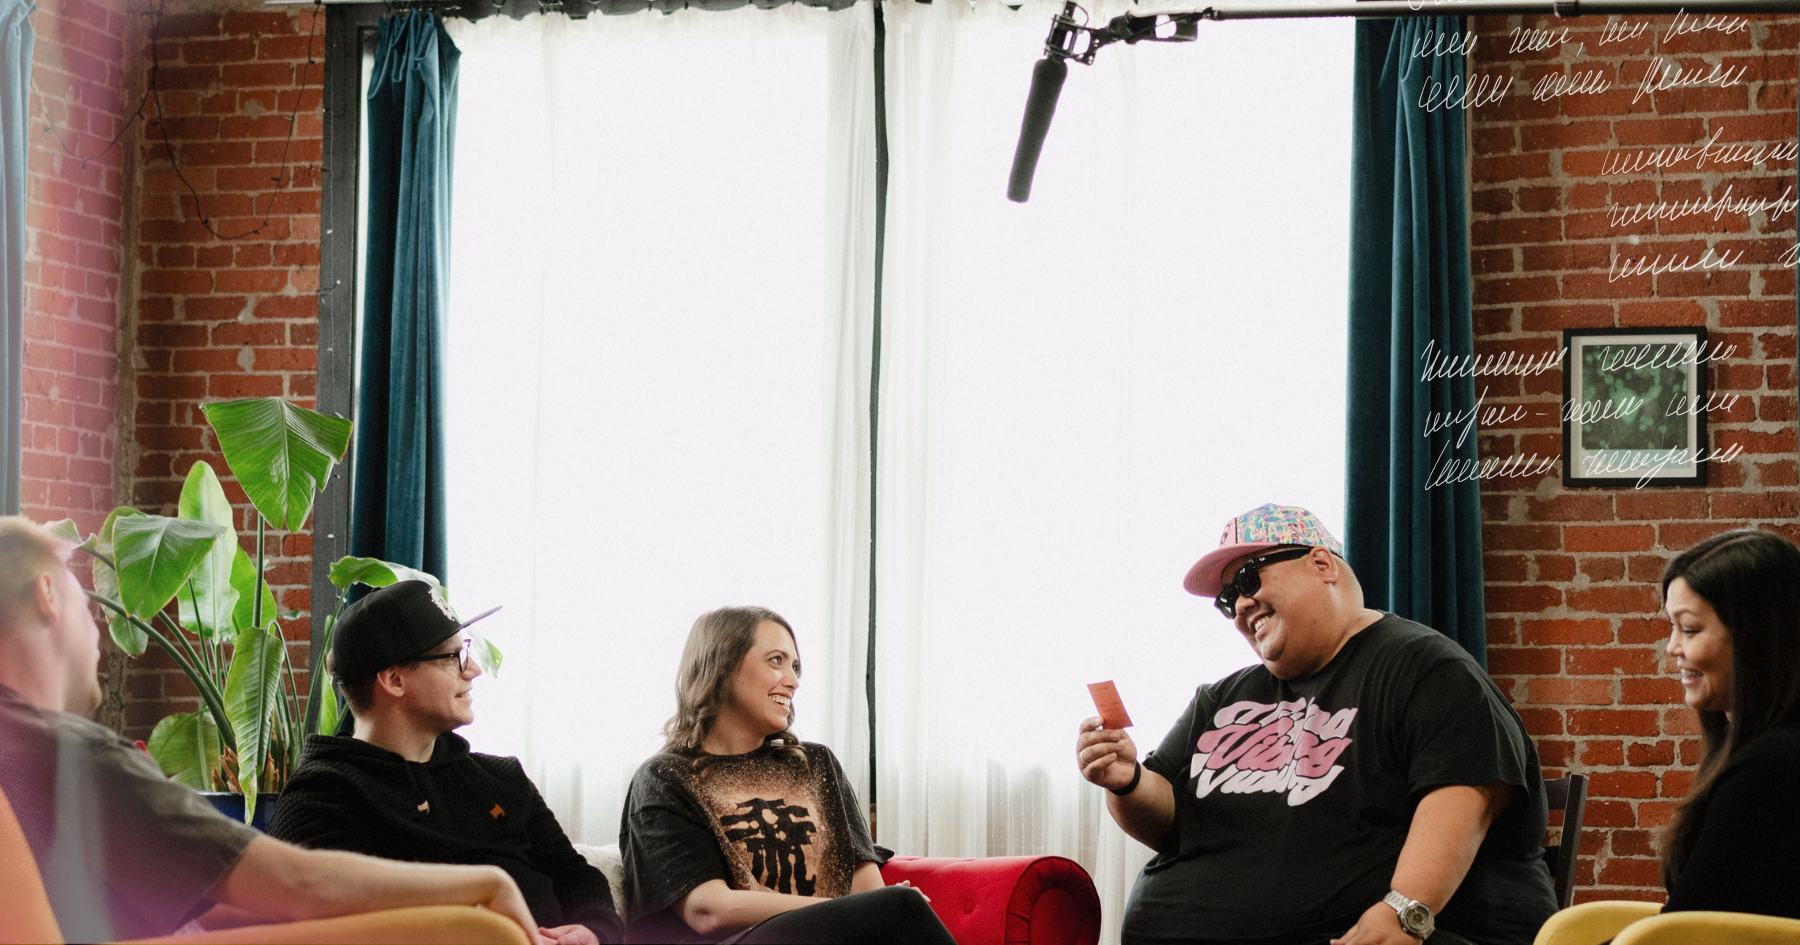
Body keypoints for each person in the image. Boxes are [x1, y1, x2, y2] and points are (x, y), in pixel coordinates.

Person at [0, 517, 544, 943]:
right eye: (80, 595)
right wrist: (487, 884)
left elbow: (216, 908)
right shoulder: (61, 754)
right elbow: (299, 886)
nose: (97, 628)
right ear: (48, 592)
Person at [1076, 504, 1557, 945]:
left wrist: (1402, 911)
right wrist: (1129, 781)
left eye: (1247, 579)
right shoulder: (1220, 699)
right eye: (1228, 599)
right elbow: (1170, 816)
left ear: (1322, 565)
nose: (1240, 606)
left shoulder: (1423, 668)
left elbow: (1466, 794)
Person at [267, 580, 623, 945]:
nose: (472, 671)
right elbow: (321, 929)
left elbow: (575, 875)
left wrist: (591, 931)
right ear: (393, 679)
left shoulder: (503, 778)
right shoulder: (322, 797)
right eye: (452, 657)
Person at [619, 605, 954, 945]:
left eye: (795, 667)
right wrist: (857, 910)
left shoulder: (817, 764)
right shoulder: (666, 777)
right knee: (897, 905)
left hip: (829, 939)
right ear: (721, 665)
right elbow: (708, 911)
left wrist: (872, 910)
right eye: (776, 660)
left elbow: (865, 888)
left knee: (896, 909)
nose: (793, 681)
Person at [1655, 528, 1800, 917]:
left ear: (1756, 637)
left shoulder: (1770, 768)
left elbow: (1683, 930)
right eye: (1672, 627)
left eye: (1689, 628)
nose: (1672, 647)